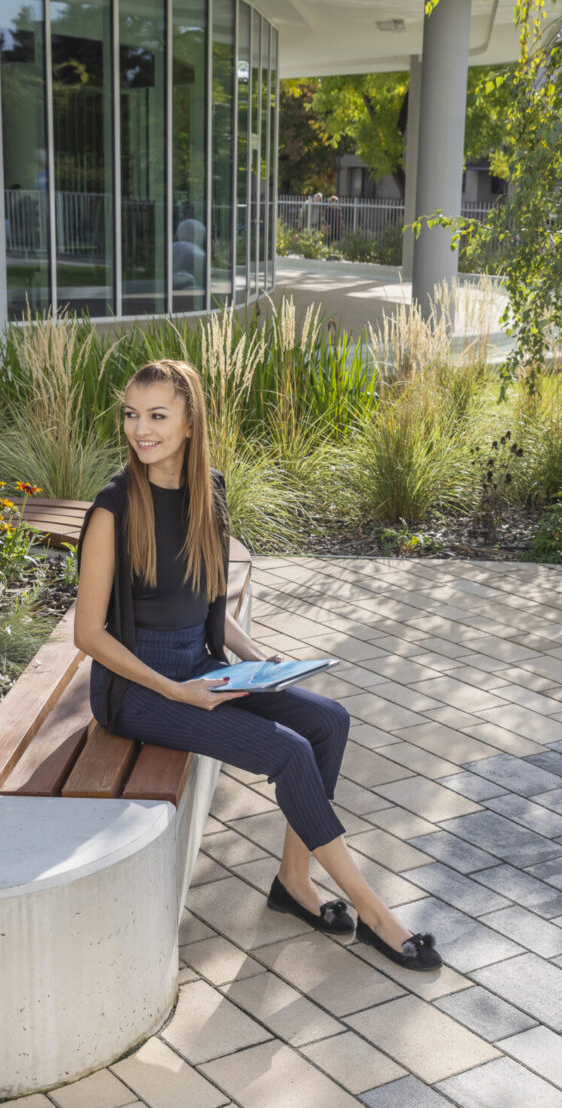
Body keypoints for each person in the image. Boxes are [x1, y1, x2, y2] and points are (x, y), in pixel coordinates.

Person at [72, 360, 443, 971]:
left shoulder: (208, 491)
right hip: (136, 690)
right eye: (132, 415)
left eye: (158, 415)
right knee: (289, 752)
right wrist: (176, 692)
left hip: (198, 662)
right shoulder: (114, 508)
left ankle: (294, 880)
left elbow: (207, 601)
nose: (141, 430)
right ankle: (376, 914)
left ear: (190, 423)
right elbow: (88, 634)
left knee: (328, 721)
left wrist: (257, 658)